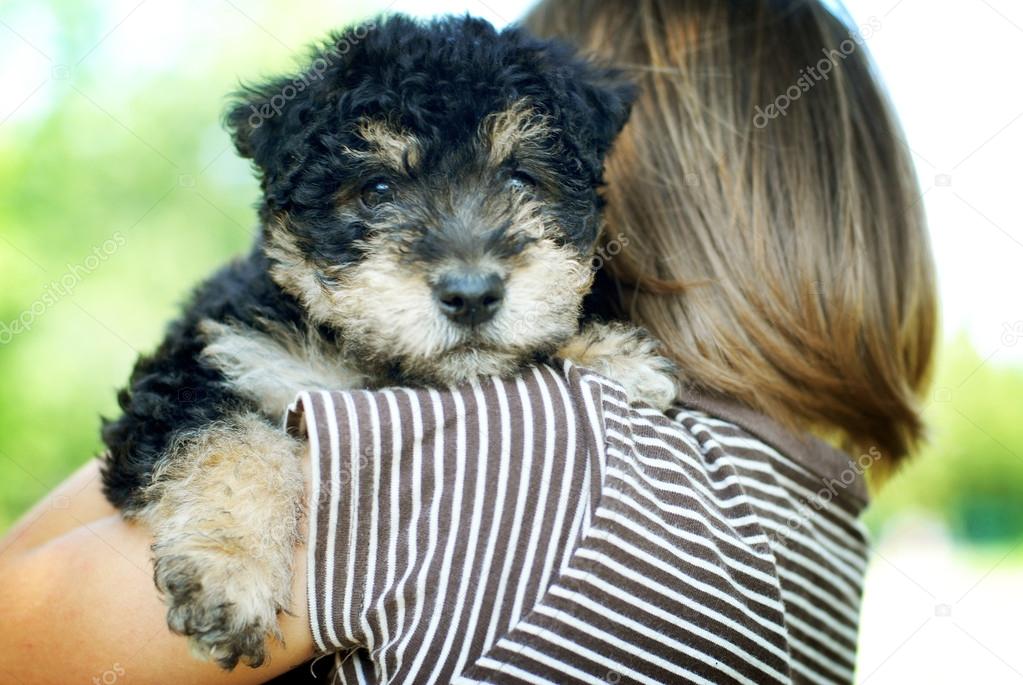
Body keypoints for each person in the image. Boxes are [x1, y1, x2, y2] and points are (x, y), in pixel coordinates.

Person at [0, 1, 936, 683]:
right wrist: (236, 487)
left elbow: (19, 634)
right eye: (375, 195)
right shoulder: (820, 517)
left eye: (520, 178)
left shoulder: (493, 456)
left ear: (625, 183)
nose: (466, 270)